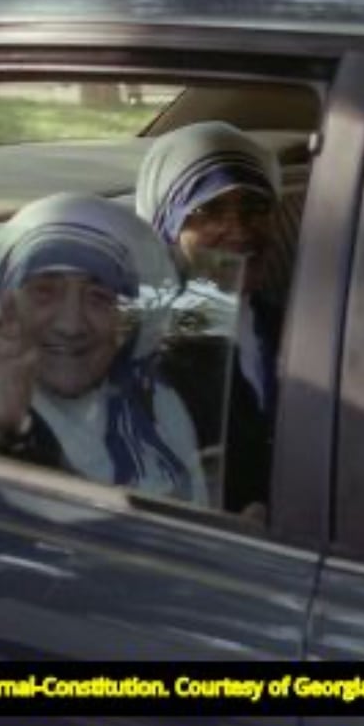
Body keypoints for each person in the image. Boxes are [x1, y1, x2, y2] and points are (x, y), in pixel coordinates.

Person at [0, 193, 207, 505]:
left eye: (99, 297)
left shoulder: (155, 402)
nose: (71, 325)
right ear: (3, 304)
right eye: (44, 291)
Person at [135, 121, 286, 519]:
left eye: (255, 207)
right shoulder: (145, 349)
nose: (237, 230)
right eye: (208, 210)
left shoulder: (297, 325)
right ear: (166, 228)